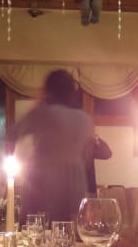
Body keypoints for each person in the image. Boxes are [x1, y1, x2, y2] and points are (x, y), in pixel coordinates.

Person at [9, 70, 94, 222]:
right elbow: (87, 154)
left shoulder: (44, 113)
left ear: (49, 92)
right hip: (75, 178)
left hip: (43, 176)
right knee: (71, 225)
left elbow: (13, 133)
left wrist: (38, 104)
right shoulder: (85, 119)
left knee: (38, 224)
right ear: (71, 92)